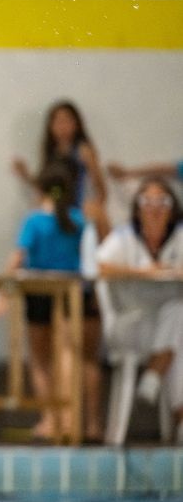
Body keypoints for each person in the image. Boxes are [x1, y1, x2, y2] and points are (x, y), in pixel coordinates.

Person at [0, 158, 102, 441]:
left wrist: (3, 294)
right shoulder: (77, 219)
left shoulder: (34, 220)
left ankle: (51, 418)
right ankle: (70, 419)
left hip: (41, 291)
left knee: (41, 359)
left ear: (40, 188)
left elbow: (18, 257)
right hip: (73, 292)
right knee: (68, 354)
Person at [96, 178, 183, 431]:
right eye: (147, 202)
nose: (155, 208)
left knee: (177, 315)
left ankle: (154, 378)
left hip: (168, 329)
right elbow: (101, 266)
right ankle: (163, 390)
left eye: (162, 202)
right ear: (137, 209)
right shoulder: (123, 237)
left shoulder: (179, 237)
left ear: (172, 208)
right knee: (177, 331)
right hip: (131, 326)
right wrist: (143, 272)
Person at [12, 100, 109, 236]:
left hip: (78, 206)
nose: (62, 126)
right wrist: (26, 175)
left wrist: (94, 207)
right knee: (36, 211)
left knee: (96, 215)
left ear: (76, 124)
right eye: (57, 122)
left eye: (66, 121)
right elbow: (46, 188)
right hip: (56, 205)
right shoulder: (50, 153)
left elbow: (101, 190)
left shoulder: (83, 151)